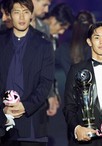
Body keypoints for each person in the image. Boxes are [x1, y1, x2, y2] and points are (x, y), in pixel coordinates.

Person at [0, 0, 54, 146]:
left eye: (26, 12)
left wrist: (26, 106)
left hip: (32, 122)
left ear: (31, 15)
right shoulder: (1, 41)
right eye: (17, 12)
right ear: (10, 15)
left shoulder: (44, 44)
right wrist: (3, 108)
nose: (22, 17)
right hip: (3, 122)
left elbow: (46, 82)